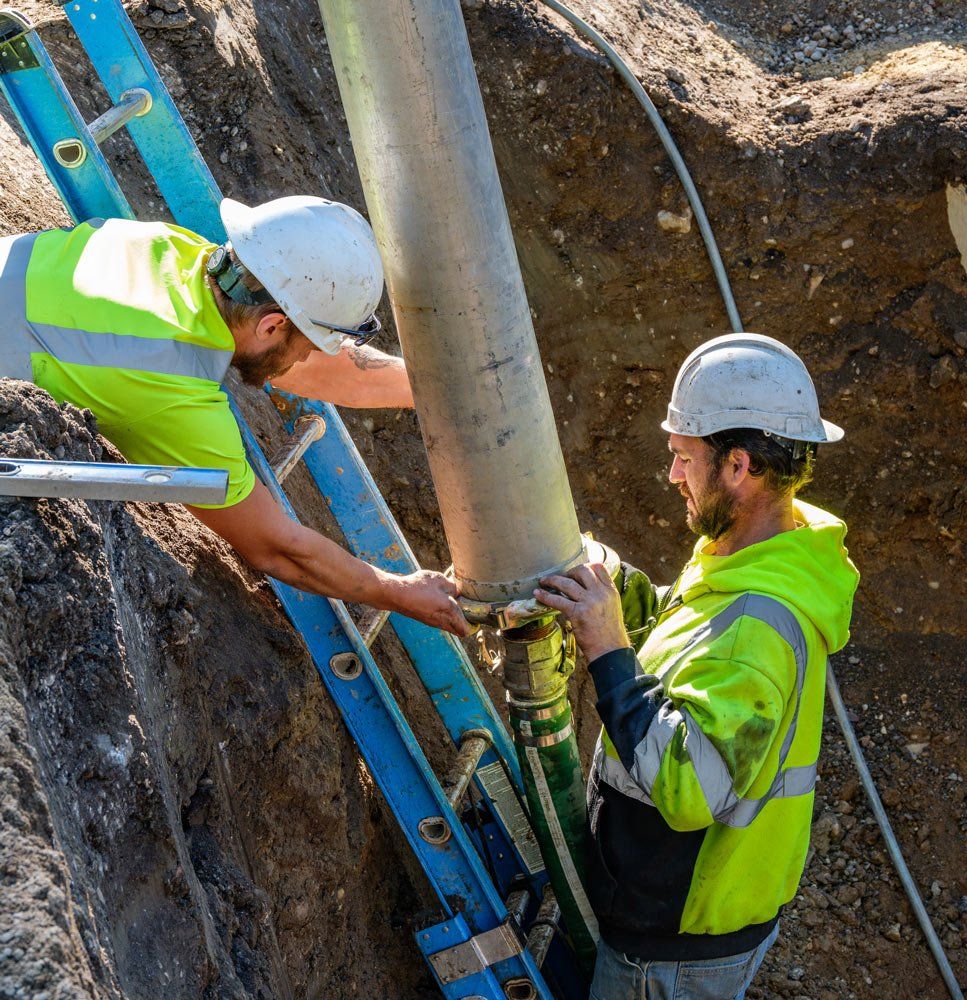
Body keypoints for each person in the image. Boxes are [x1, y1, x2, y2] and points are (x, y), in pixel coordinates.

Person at [534, 333, 860, 999]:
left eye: (684, 457)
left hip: (676, 947)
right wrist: (616, 585)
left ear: (738, 465)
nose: (673, 474)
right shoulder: (752, 555)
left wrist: (606, 649)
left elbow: (691, 790)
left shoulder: (758, 625)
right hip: (683, 916)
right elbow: (687, 645)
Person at [0, 195, 470, 636]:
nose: (306, 360)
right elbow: (277, 548)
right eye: (309, 346)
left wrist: (439, 392)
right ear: (272, 325)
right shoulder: (173, 392)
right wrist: (399, 591)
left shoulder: (171, 249)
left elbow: (315, 364)